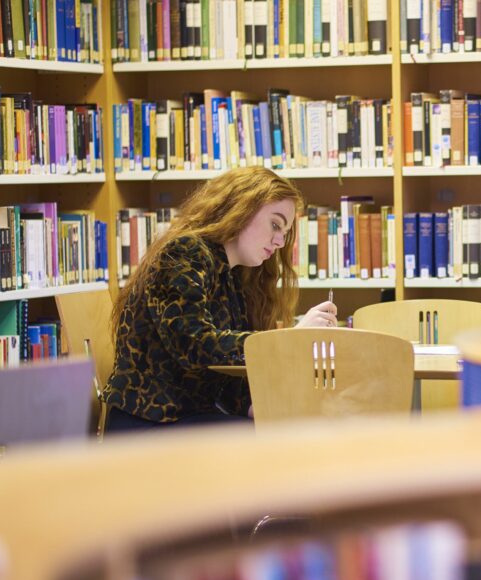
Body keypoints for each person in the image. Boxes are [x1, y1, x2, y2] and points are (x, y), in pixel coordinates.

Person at [101, 167, 337, 431]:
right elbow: (194, 345)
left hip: (186, 417)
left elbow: (223, 375)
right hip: (148, 423)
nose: (281, 241)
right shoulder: (184, 253)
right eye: (275, 224)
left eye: (285, 231)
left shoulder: (233, 276)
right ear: (241, 208)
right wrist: (289, 339)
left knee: (295, 430)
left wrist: (265, 408)